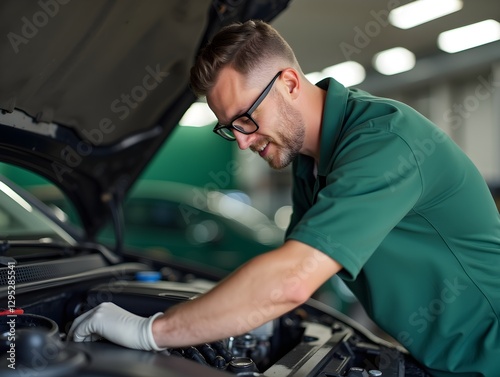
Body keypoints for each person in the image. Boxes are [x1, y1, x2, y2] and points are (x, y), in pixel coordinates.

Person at [69, 20, 500, 376]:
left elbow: (292, 281)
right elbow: (295, 275)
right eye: (228, 127)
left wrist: (149, 332)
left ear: (289, 83)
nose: (240, 142)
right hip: (435, 361)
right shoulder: (309, 162)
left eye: (245, 119)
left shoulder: (384, 142)